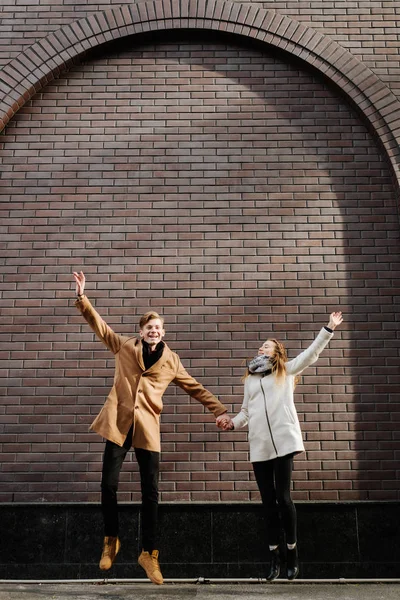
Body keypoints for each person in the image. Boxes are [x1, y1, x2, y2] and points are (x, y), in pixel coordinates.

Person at [72, 271, 232, 585]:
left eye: (158, 328)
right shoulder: (123, 347)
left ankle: (149, 553)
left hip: (148, 428)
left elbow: (194, 387)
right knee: (108, 485)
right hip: (119, 423)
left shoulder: (171, 360)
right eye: (149, 328)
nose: (153, 332)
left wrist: (220, 410)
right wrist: (82, 298)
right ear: (141, 331)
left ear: (162, 332)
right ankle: (111, 540)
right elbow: (99, 326)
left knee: (151, 494)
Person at [217, 312, 343, 581]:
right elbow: (245, 413)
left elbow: (310, 355)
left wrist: (328, 329)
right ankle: (274, 556)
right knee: (267, 502)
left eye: (267, 345)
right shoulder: (250, 378)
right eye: (261, 345)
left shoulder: (286, 370)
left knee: (283, 499)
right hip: (260, 446)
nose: (262, 347)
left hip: (284, 443)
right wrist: (231, 423)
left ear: (277, 352)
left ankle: (292, 551)